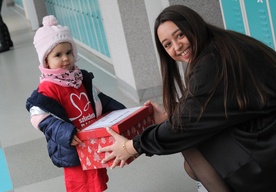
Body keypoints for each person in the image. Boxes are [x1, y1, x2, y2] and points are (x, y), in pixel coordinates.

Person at [98, 5, 276, 192]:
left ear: (194, 26)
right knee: (189, 143)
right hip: (263, 127)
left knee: (188, 140)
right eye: (167, 44)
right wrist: (172, 112)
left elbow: (184, 125)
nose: (177, 46)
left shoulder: (212, 61)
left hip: (268, 145)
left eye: (180, 35)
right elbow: (207, 107)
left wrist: (130, 146)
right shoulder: (219, 44)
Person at [25, 15, 125, 192]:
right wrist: (66, 133)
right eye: (58, 55)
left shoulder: (80, 78)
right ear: (46, 61)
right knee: (80, 185)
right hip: (72, 145)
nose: (65, 58)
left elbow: (98, 98)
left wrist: (122, 113)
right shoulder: (48, 87)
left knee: (96, 182)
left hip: (91, 140)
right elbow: (40, 118)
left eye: (68, 53)